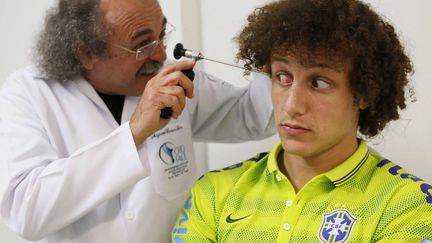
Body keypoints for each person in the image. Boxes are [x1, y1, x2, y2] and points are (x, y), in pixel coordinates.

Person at [0, 0, 275, 242]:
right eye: (142, 44)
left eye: (162, 34)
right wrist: (134, 133)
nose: (160, 55)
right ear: (86, 53)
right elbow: (25, 211)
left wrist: (273, 48)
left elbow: (254, 117)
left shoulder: (170, 78)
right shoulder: (29, 94)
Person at [172, 0, 432, 242]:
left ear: (364, 92)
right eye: (283, 77)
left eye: (318, 83)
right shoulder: (213, 194)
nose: (292, 105)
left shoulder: (408, 206)